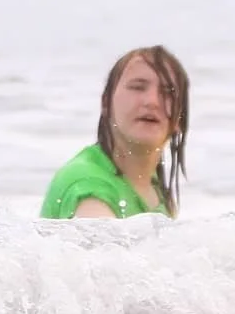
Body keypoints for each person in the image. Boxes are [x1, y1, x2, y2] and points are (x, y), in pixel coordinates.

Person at [40, 46, 190, 220]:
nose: (152, 101)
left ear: (180, 118)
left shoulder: (153, 185)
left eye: (167, 92)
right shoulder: (88, 185)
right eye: (137, 87)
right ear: (106, 103)